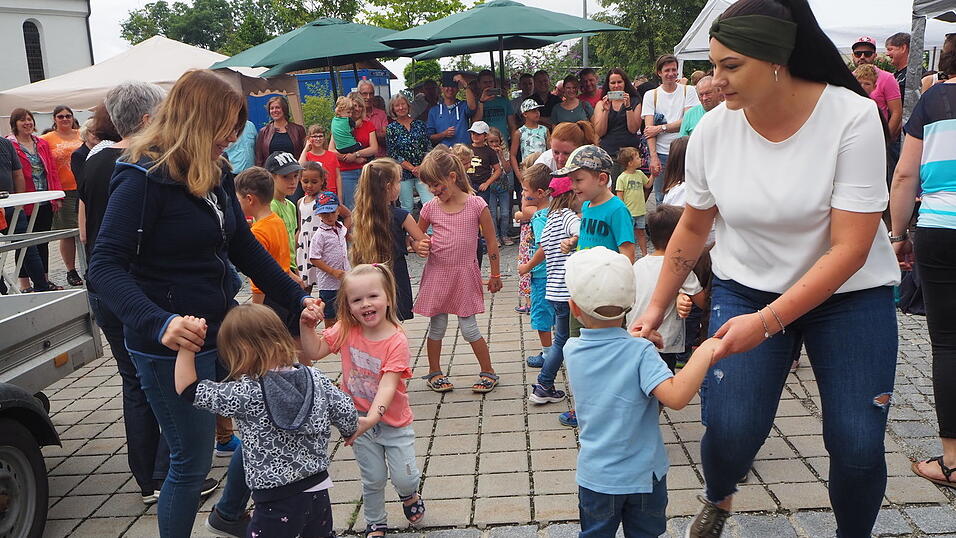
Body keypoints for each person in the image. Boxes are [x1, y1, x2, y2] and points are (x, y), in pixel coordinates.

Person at [630, 1, 901, 534]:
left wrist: (768, 323)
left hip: (850, 298)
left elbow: (850, 249)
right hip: (747, 287)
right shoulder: (712, 130)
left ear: (778, 59)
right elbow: (691, 227)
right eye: (712, 65)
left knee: (857, 441)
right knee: (730, 429)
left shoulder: (851, 115)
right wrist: (655, 309)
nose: (715, 81)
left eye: (732, 66)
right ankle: (719, 496)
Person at [87, 69, 321, 537]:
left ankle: (230, 513)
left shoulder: (214, 170)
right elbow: (104, 267)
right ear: (197, 119)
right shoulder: (141, 177)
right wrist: (160, 322)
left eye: (236, 130)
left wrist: (297, 297)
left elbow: (243, 246)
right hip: (170, 346)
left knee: (263, 421)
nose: (231, 139)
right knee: (191, 464)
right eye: (226, 129)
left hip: (222, 328)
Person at [561, 246, 723, 537]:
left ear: (574, 307)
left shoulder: (571, 350)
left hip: (596, 478)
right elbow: (675, 397)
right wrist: (705, 352)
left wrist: (636, 340)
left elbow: (608, 348)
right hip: (644, 478)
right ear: (631, 303)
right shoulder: (640, 353)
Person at [174, 305, 358, 538]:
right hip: (317, 489)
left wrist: (187, 346)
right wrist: (349, 429)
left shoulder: (247, 392)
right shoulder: (315, 377)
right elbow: (346, 410)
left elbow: (189, 389)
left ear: (239, 352)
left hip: (275, 499)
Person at [78, 81, 178, 507]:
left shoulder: (93, 163)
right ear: (145, 119)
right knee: (157, 379)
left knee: (132, 382)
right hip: (136, 289)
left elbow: (85, 228)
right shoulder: (142, 165)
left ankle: (147, 478)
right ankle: (166, 470)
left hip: (104, 288)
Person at [312, 264, 426, 537]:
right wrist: (307, 326)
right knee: (373, 478)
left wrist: (373, 418)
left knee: (405, 477)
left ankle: (409, 495)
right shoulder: (346, 329)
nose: (365, 304)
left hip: (393, 423)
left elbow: (388, 385)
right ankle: (375, 520)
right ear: (348, 306)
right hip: (359, 421)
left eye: (373, 296)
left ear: (388, 297)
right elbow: (314, 351)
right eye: (356, 299)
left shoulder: (396, 339)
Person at [889, 30, 956, 492]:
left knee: (949, 342)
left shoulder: (933, 101)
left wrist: (897, 235)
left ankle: (952, 460)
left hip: (941, 225)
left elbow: (906, 173)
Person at [416, 147, 502, 393]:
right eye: (430, 187)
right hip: (438, 273)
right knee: (437, 326)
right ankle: (435, 371)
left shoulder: (476, 204)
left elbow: (492, 242)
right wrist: (419, 245)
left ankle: (488, 371)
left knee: (469, 328)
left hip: (465, 274)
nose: (434, 191)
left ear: (452, 177)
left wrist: (495, 274)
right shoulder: (430, 208)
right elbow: (416, 237)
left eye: (437, 185)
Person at [519, 175, 580, 404]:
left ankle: (546, 384)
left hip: (553, 289)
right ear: (569, 196)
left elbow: (542, 248)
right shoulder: (567, 217)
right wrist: (574, 241)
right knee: (563, 340)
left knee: (561, 339)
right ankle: (544, 384)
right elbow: (582, 230)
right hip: (567, 291)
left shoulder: (550, 219)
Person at [350, 158, 431, 321]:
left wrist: (408, 241)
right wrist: (413, 242)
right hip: (394, 274)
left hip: (367, 274)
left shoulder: (360, 215)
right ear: (389, 187)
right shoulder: (401, 216)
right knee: (394, 321)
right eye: (398, 182)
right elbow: (424, 241)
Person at [628, 205, 706, 372]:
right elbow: (703, 302)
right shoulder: (680, 266)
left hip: (635, 336)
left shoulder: (638, 265)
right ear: (679, 237)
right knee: (662, 382)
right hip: (663, 340)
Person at [7, 108, 62, 292]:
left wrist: (56, 194)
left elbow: (52, 170)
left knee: (42, 240)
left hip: (44, 199)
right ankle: (24, 284)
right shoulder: (10, 145)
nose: (27, 123)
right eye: (22, 120)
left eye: (29, 119)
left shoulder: (41, 143)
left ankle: (44, 280)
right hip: (24, 201)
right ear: (15, 124)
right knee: (24, 244)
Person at [642, 54, 700, 203]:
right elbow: (649, 130)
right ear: (659, 73)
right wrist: (653, 157)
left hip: (684, 151)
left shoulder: (689, 91)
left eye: (674, 70)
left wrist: (660, 128)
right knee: (661, 197)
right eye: (667, 70)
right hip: (661, 153)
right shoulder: (651, 95)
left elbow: (686, 122)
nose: (671, 74)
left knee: (687, 195)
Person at [39, 105, 84, 286]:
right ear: (54, 119)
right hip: (63, 190)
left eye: (68, 116)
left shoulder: (82, 134)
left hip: (83, 187)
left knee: (86, 228)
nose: (65, 119)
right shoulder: (46, 139)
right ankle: (71, 270)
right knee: (67, 233)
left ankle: (89, 266)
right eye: (60, 116)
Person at [516, 163, 555, 365]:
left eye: (525, 191)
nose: (523, 194)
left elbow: (544, 247)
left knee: (541, 314)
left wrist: (527, 266)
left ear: (539, 193)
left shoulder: (540, 217)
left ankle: (548, 354)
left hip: (541, 274)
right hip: (554, 273)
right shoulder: (554, 212)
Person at [592, 68, 645, 182]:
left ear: (625, 83)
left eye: (619, 82)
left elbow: (633, 129)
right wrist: (606, 111)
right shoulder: (601, 103)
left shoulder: (635, 101)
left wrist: (628, 107)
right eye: (613, 83)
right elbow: (600, 132)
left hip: (629, 156)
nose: (616, 86)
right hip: (609, 154)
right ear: (608, 85)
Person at [330, 93, 380, 209]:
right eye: (353, 107)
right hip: (346, 171)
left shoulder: (368, 125)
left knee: (370, 206)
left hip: (365, 170)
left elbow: (374, 148)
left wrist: (356, 155)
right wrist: (346, 157)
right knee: (352, 208)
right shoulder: (339, 124)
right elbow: (331, 150)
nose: (357, 109)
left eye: (360, 106)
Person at [385, 93, 433, 212]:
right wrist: (412, 168)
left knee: (429, 203)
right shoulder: (391, 128)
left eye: (403, 104)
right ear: (393, 109)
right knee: (407, 206)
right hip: (403, 174)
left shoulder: (420, 124)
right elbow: (393, 154)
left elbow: (428, 147)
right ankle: (408, 231)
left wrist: (421, 167)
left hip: (423, 171)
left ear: (408, 105)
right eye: (397, 105)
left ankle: (431, 231)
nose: (401, 108)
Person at [851, 36, 902, 141]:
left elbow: (896, 112)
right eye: (858, 53)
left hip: (877, 137)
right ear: (853, 56)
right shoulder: (848, 78)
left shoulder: (887, 78)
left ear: (875, 55)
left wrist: (885, 139)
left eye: (867, 53)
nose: (862, 57)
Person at [265, 151, 304, 274]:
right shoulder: (270, 206)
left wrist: (296, 268)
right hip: (277, 269)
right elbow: (272, 247)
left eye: (295, 176)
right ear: (271, 177)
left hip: (290, 267)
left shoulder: (291, 205)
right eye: (285, 177)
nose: (293, 181)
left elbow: (291, 243)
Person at [614, 146, 652, 257]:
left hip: (640, 211)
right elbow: (620, 196)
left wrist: (653, 175)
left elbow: (648, 184)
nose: (640, 159)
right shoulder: (622, 178)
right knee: (628, 235)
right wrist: (623, 211)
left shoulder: (640, 174)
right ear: (630, 163)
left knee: (641, 233)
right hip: (628, 212)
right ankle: (629, 254)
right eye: (637, 157)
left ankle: (645, 254)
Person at [427, 73, 479, 147]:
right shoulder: (434, 111)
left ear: (457, 89)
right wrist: (444, 134)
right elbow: (430, 137)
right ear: (442, 89)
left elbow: (472, 107)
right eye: (447, 86)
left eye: (453, 86)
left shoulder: (463, 106)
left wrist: (465, 84)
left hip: (463, 151)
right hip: (444, 153)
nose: (450, 89)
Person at [254, 95, 306, 167]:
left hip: (294, 172)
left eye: (277, 107)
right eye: (272, 108)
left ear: (284, 109)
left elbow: (305, 153)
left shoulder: (298, 130)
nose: (274, 110)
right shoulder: (263, 132)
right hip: (272, 174)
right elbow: (259, 159)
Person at [486, 126, 514, 246]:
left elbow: (508, 169)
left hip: (503, 186)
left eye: (496, 141)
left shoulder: (504, 152)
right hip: (490, 187)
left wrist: (501, 156)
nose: (493, 144)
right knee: (492, 213)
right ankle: (495, 236)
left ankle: (504, 234)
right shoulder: (485, 153)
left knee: (504, 212)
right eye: (491, 142)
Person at [299, 124, 343, 197]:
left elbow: (338, 177)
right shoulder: (307, 155)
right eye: (315, 136)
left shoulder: (332, 155)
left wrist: (340, 197)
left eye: (320, 136)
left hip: (331, 193)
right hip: (312, 194)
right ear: (309, 138)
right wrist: (306, 149)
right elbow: (299, 168)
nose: (318, 139)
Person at [475, 69, 516, 145]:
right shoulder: (476, 102)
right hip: (485, 144)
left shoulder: (504, 101)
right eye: (485, 82)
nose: (488, 85)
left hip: (503, 142)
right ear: (479, 84)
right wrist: (481, 101)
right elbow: (475, 123)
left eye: (490, 82)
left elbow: (512, 125)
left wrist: (513, 145)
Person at [510, 100, 550, 177]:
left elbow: (550, 151)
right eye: (533, 111)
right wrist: (519, 175)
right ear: (525, 114)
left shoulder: (545, 130)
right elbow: (512, 155)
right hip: (527, 170)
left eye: (538, 110)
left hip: (543, 169)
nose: (537, 113)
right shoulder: (519, 132)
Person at [466, 121, 502, 205]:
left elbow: (498, 170)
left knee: (482, 208)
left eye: (478, 134)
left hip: (482, 186)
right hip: (467, 185)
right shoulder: (466, 149)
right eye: (473, 133)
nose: (475, 136)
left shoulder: (490, 151)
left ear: (485, 136)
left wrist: (487, 183)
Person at [358, 79, 388, 157]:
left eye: (371, 94)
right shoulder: (355, 116)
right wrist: (377, 134)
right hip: (361, 160)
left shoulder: (381, 114)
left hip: (380, 159)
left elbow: (386, 137)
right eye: (364, 94)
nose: (368, 97)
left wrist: (366, 135)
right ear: (358, 94)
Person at [886, 32, 919, 97]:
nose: (887, 54)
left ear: (903, 48)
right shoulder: (895, 75)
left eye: (890, 49)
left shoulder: (916, 74)